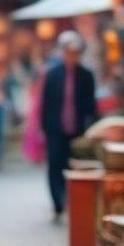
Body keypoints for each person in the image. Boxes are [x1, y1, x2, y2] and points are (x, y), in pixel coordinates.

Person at [40, 30, 96, 217]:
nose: (72, 56)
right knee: (55, 164)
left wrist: (89, 128)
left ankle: (72, 203)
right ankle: (57, 202)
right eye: (69, 52)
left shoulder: (86, 75)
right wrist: (45, 128)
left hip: (77, 130)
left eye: (75, 53)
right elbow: (46, 103)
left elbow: (90, 105)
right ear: (63, 53)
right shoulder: (52, 74)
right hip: (56, 129)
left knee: (74, 166)